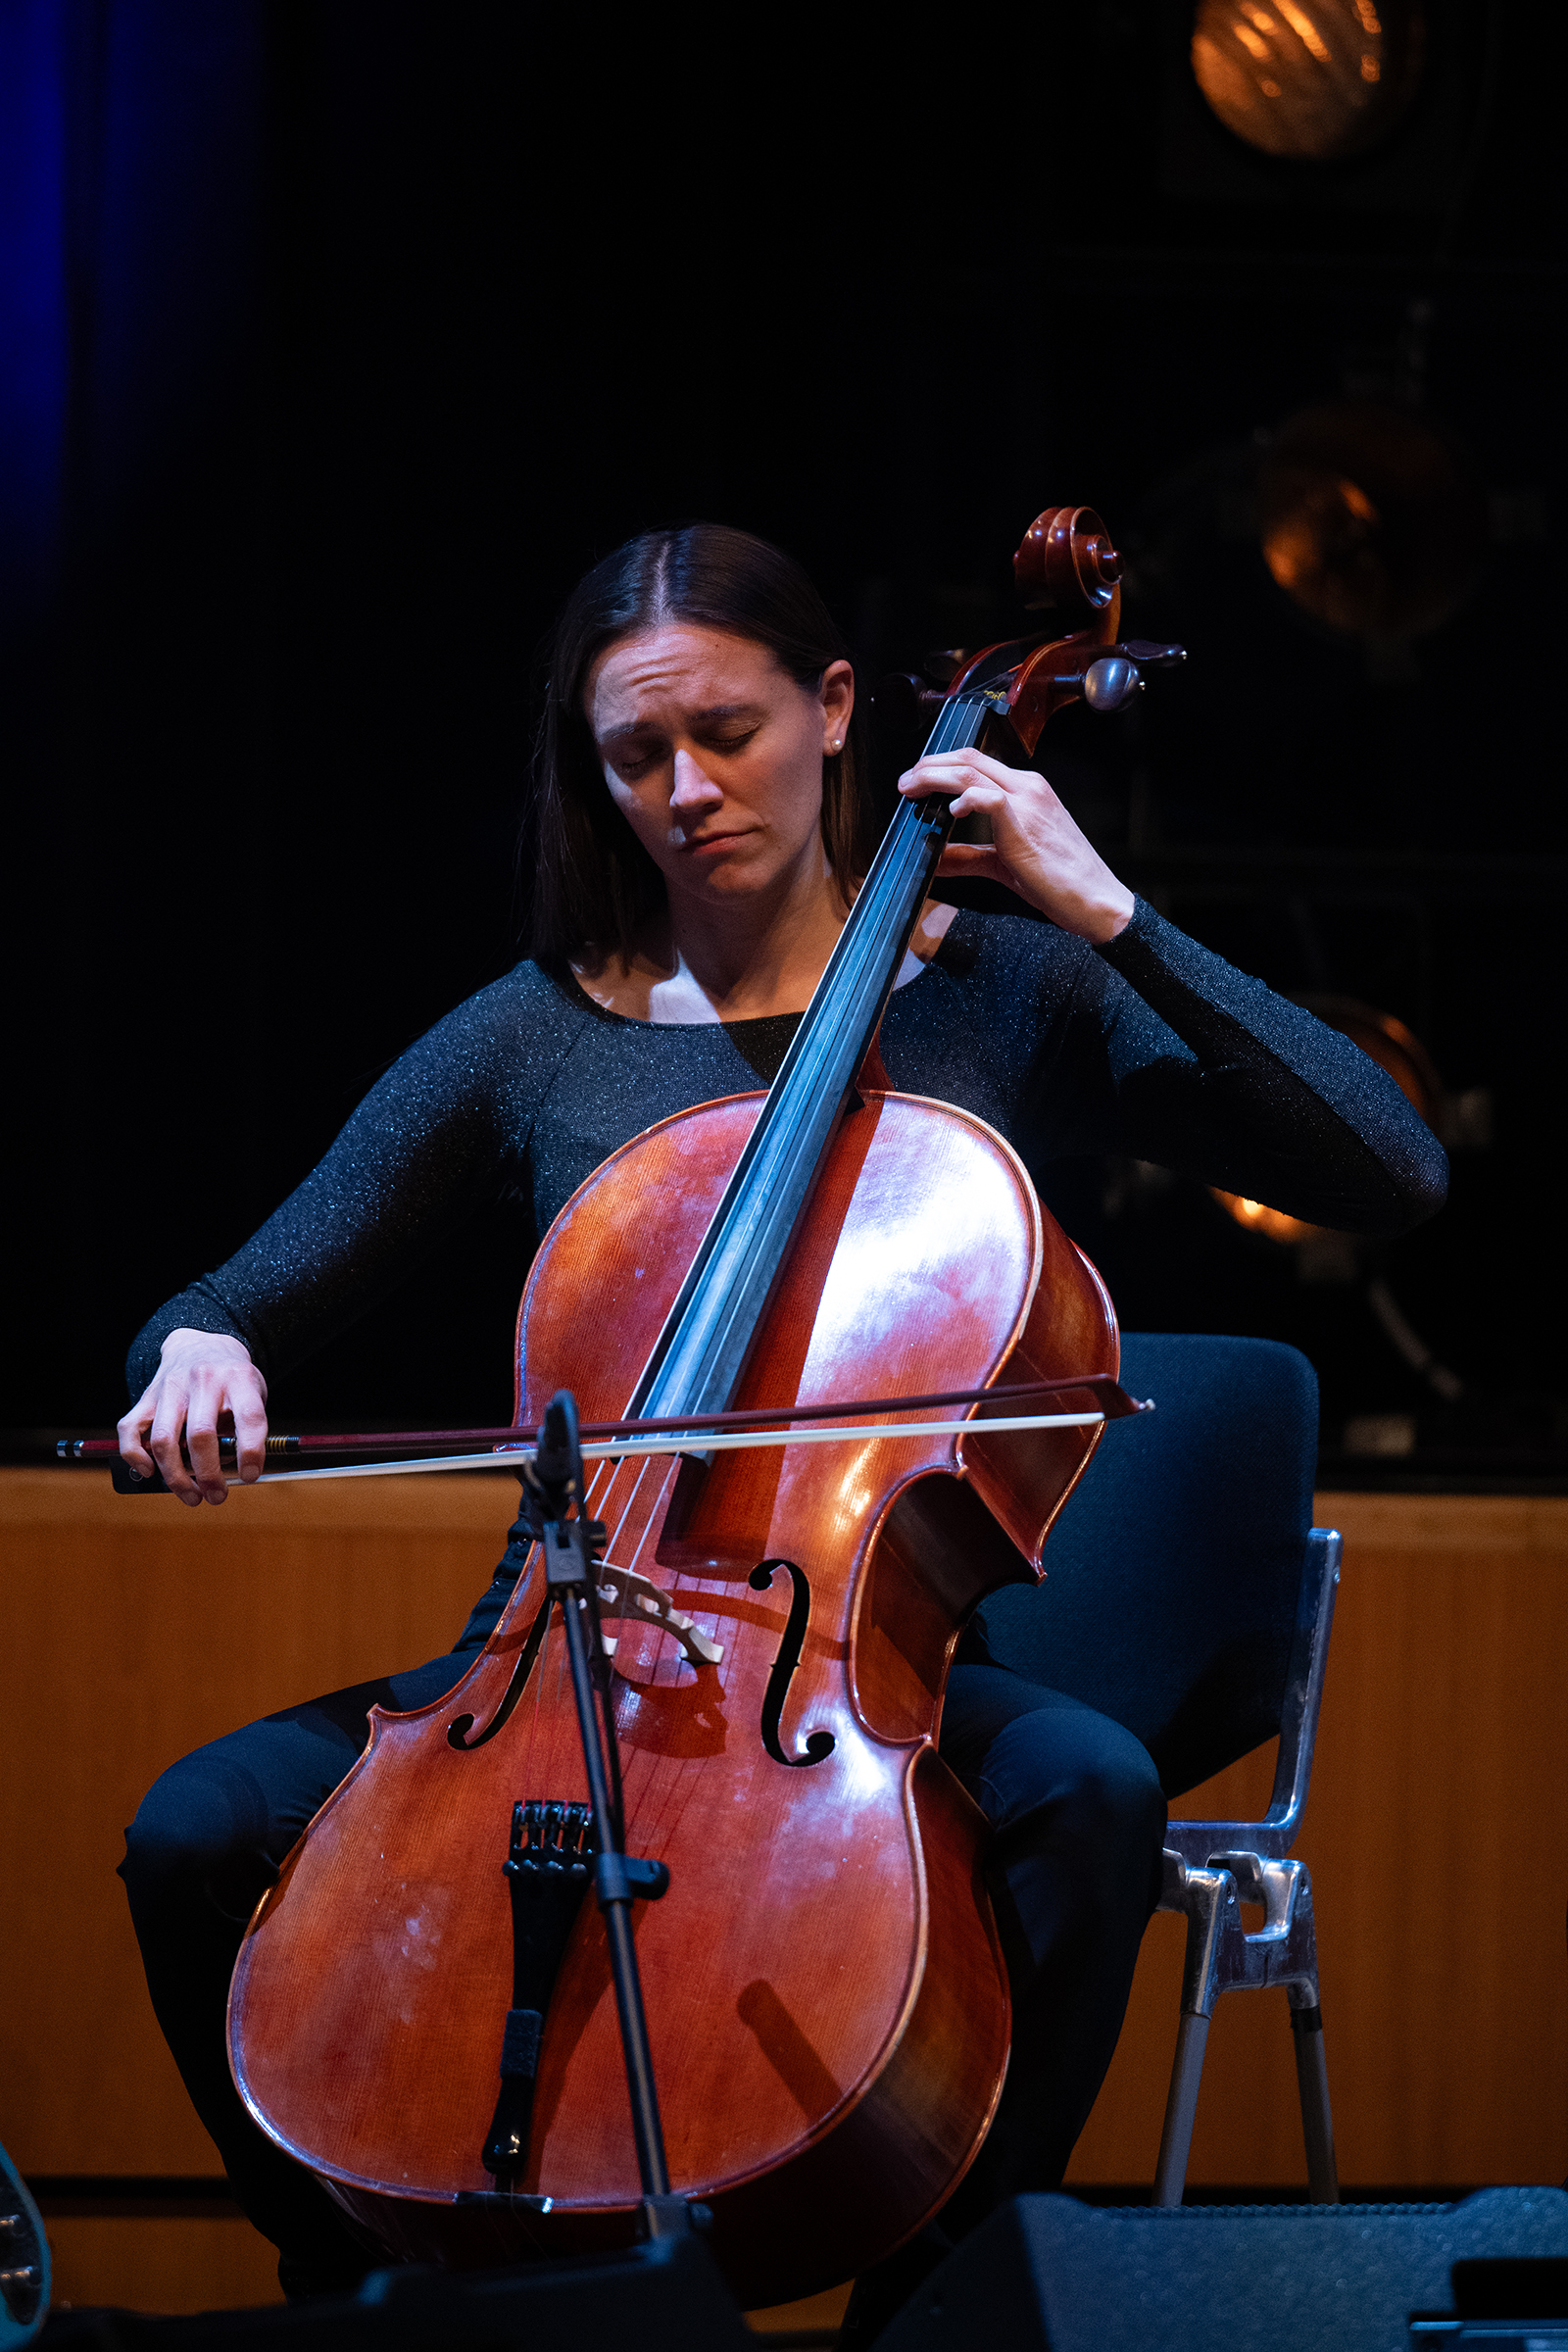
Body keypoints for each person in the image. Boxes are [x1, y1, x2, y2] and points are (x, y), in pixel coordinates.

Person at [117, 523, 1446, 2326]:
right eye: (634, 753)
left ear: (833, 710)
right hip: (551, 1656)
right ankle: (361, 2283)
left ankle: (943, 2312)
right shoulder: (534, 1038)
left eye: (727, 732)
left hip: (853, 1670)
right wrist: (199, 1350)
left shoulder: (1004, 989)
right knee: (192, 1836)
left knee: (1092, 1789)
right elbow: (227, 1296)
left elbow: (1387, 1168)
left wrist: (1107, 910)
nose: (685, 790)